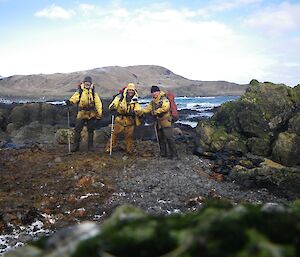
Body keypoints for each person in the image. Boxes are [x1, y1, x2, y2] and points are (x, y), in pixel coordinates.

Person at [66, 76, 102, 152]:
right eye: (86, 82)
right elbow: (74, 98)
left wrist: (99, 114)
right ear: (84, 83)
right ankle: (76, 146)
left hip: (91, 113)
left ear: (91, 83)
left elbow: (98, 104)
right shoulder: (80, 92)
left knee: (91, 130)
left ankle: (90, 147)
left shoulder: (94, 93)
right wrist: (70, 102)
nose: (87, 84)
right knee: (77, 130)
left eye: (88, 82)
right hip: (81, 113)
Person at [105, 83, 142, 155]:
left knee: (129, 136)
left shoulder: (135, 98)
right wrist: (112, 107)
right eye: (129, 90)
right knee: (114, 134)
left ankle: (129, 150)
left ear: (134, 91)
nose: (130, 91)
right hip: (120, 119)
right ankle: (109, 148)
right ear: (127, 90)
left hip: (130, 120)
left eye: (132, 90)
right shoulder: (120, 97)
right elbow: (114, 103)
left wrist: (139, 111)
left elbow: (138, 107)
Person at [142, 85, 179, 159]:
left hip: (166, 121)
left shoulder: (164, 99)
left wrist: (155, 112)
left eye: (155, 92)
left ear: (158, 92)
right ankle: (163, 153)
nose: (154, 93)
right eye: (152, 92)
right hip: (158, 122)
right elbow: (147, 109)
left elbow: (165, 108)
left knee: (169, 138)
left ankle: (174, 155)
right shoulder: (153, 101)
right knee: (160, 138)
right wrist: (140, 111)